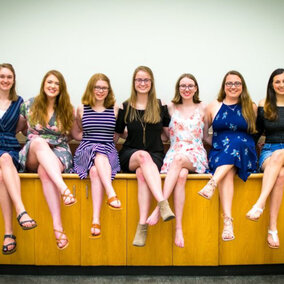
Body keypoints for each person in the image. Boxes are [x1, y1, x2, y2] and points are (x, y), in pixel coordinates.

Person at [146, 73, 208, 248]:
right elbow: (164, 133)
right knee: (180, 176)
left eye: (190, 85)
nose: (186, 89)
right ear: (178, 88)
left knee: (180, 160)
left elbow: (206, 136)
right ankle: (178, 229)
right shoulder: (169, 107)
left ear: (195, 88)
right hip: (174, 152)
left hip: (195, 153)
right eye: (183, 86)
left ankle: (160, 208)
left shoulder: (203, 107)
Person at [115, 66, 175, 247]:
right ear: (134, 83)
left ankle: (142, 225)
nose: (142, 83)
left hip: (155, 155)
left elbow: (167, 135)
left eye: (146, 80)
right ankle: (162, 204)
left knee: (143, 173)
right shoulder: (124, 106)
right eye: (139, 80)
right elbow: (116, 136)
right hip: (130, 154)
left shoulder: (159, 106)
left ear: (151, 83)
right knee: (142, 157)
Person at [18, 70, 76, 250]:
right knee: (39, 141)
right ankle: (63, 188)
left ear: (61, 88)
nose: (52, 86)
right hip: (34, 151)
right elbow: (18, 129)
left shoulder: (67, 109)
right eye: (49, 82)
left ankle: (57, 227)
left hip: (59, 150)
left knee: (45, 171)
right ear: (44, 84)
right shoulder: (29, 104)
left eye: (57, 83)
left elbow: (73, 135)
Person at [198, 70, 257, 241]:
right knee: (228, 172)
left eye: (237, 83)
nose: (233, 87)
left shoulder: (250, 106)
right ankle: (228, 222)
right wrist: (217, 145)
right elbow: (205, 134)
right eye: (229, 83)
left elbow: (253, 132)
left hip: (245, 152)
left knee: (238, 142)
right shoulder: (213, 106)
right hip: (220, 153)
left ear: (242, 86)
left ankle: (212, 183)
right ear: (224, 86)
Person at [73, 73, 121, 239]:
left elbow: (118, 133)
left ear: (109, 90)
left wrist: (104, 140)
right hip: (86, 149)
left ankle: (95, 220)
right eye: (97, 87)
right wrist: (91, 139)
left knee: (95, 171)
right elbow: (76, 132)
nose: (100, 91)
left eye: (104, 88)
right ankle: (111, 193)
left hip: (109, 150)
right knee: (97, 152)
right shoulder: (81, 108)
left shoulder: (115, 108)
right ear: (91, 88)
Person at [0, 63, 37, 255]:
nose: (5, 80)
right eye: (2, 76)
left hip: (9, 149)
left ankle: (9, 232)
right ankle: (20, 214)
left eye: (9, 77)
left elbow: (23, 128)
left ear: (13, 80)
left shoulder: (19, 102)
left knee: (5, 162)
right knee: (3, 167)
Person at [246, 68, 284, 249]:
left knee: (280, 155)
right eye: (277, 81)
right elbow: (257, 132)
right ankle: (272, 229)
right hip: (269, 151)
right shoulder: (265, 104)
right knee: (281, 175)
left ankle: (260, 204)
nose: (281, 85)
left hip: (279, 153)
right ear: (272, 84)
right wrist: (245, 152)